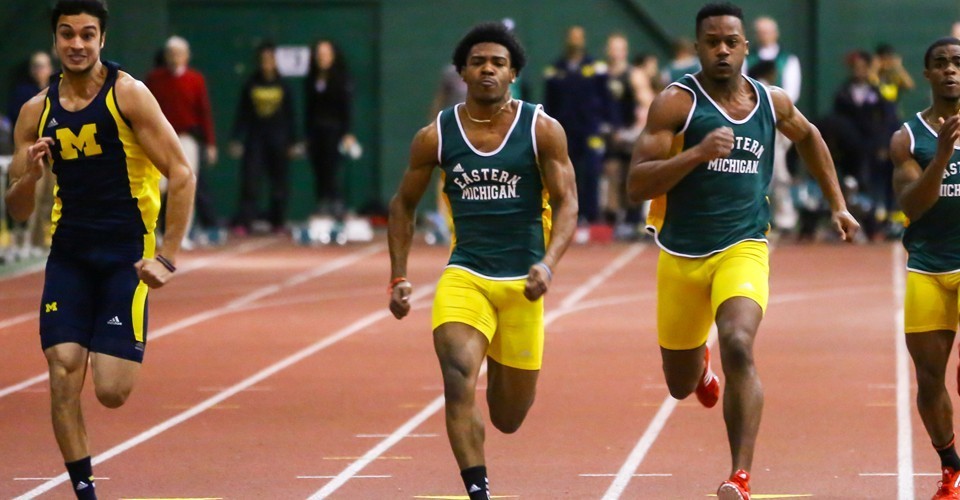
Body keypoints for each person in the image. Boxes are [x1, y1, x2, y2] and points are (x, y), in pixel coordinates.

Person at [627, 3, 858, 498]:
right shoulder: (676, 103)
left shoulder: (770, 102)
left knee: (738, 341)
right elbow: (635, 183)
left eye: (732, 41)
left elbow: (811, 137)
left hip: (745, 245)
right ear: (698, 48)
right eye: (712, 41)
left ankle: (740, 475)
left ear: (746, 46)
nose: (723, 49)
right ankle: (699, 366)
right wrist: (696, 153)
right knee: (679, 383)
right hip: (682, 254)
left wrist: (837, 204)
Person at [5, 1, 195, 498]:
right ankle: (85, 491)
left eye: (87, 35)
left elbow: (182, 172)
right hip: (68, 252)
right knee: (63, 367)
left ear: (101, 40)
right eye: (67, 34)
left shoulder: (128, 96)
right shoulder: (35, 112)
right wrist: (31, 171)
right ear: (54, 40)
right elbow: (18, 208)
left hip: (126, 253)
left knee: (110, 391)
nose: (76, 44)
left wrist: (167, 257)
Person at [387, 22, 577, 500]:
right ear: (462, 73)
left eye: (497, 62)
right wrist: (399, 275)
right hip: (466, 275)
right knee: (456, 376)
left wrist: (549, 264)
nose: (487, 69)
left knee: (508, 418)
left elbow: (569, 202)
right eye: (478, 62)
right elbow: (403, 205)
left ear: (513, 73)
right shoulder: (436, 136)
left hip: (523, 283)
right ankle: (479, 492)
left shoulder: (542, 129)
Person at [890, 36, 960, 500]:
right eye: (941, 64)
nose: (951, 70)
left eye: (958, 63)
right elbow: (912, 205)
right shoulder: (907, 137)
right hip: (929, 265)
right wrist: (940, 157)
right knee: (930, 379)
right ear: (928, 74)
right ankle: (951, 466)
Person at [145, 35, 218, 248]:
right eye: (171, 53)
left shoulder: (196, 80)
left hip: (187, 139)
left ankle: (180, 236)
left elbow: (204, 112)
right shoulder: (155, 79)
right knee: (159, 186)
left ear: (187, 56)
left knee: (186, 185)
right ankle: (154, 232)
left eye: (179, 53)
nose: (175, 57)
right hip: (160, 138)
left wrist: (211, 144)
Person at [544, 25, 612, 227]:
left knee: (591, 171)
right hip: (564, 130)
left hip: (590, 128)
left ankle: (590, 216)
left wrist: (607, 124)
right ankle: (566, 216)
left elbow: (606, 98)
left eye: (579, 37)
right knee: (564, 174)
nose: (575, 41)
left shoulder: (596, 68)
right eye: (572, 37)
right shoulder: (555, 70)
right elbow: (549, 102)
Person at [228, 41, 296, 234]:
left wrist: (292, 141)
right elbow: (242, 113)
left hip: (279, 139)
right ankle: (245, 221)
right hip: (255, 139)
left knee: (279, 182)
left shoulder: (284, 85)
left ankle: (278, 221)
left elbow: (291, 114)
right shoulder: (251, 83)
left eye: (270, 59)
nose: (267, 63)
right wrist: (236, 138)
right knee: (250, 180)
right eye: (264, 59)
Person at [745, 16, 801, 234]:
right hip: (753, 120)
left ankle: (785, 217)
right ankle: (755, 214)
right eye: (759, 31)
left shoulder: (788, 59)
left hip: (779, 121)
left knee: (779, 169)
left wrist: (775, 112)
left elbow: (792, 92)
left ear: (775, 33)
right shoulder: (747, 58)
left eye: (767, 31)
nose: (763, 36)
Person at [7, 51, 55, 251]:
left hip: (54, 155)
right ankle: (23, 242)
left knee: (49, 200)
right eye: (36, 66)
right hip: (32, 155)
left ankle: (38, 241)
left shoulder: (57, 90)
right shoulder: (22, 93)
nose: (39, 70)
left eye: (43, 66)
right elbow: (18, 124)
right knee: (30, 196)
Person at [304, 39, 356, 218]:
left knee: (332, 167)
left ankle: (336, 203)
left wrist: (348, 132)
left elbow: (346, 107)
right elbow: (309, 108)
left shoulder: (342, 79)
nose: (322, 58)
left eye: (326, 54)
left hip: (334, 130)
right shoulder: (312, 79)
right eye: (319, 54)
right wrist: (307, 135)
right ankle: (322, 202)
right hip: (316, 131)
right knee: (318, 168)